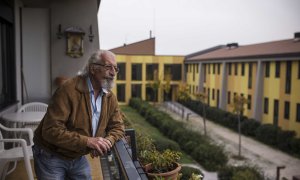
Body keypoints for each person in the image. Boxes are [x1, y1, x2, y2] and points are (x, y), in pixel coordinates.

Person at [32, 50, 125, 180]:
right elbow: (50, 130)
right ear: (93, 68)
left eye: (115, 68)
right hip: (51, 154)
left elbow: (118, 127)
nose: (113, 72)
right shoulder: (68, 89)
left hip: (77, 155)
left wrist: (106, 142)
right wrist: (88, 141)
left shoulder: (110, 97)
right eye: (108, 67)